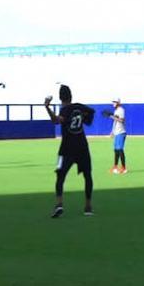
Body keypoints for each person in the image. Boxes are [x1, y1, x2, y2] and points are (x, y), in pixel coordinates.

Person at [44, 85, 95, 218]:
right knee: (87, 176)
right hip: (82, 147)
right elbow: (91, 112)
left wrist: (47, 107)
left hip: (66, 149)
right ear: (71, 96)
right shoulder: (79, 107)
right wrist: (84, 118)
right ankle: (88, 206)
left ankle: (59, 204)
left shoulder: (65, 110)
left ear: (60, 97)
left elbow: (56, 121)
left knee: (60, 175)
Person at [107, 99, 127, 174]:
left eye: (114, 102)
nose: (113, 103)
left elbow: (122, 120)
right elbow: (115, 122)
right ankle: (115, 167)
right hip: (116, 133)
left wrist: (112, 117)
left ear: (118, 103)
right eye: (113, 102)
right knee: (116, 150)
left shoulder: (121, 110)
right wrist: (112, 131)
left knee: (120, 150)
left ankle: (124, 168)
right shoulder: (116, 111)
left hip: (121, 132)